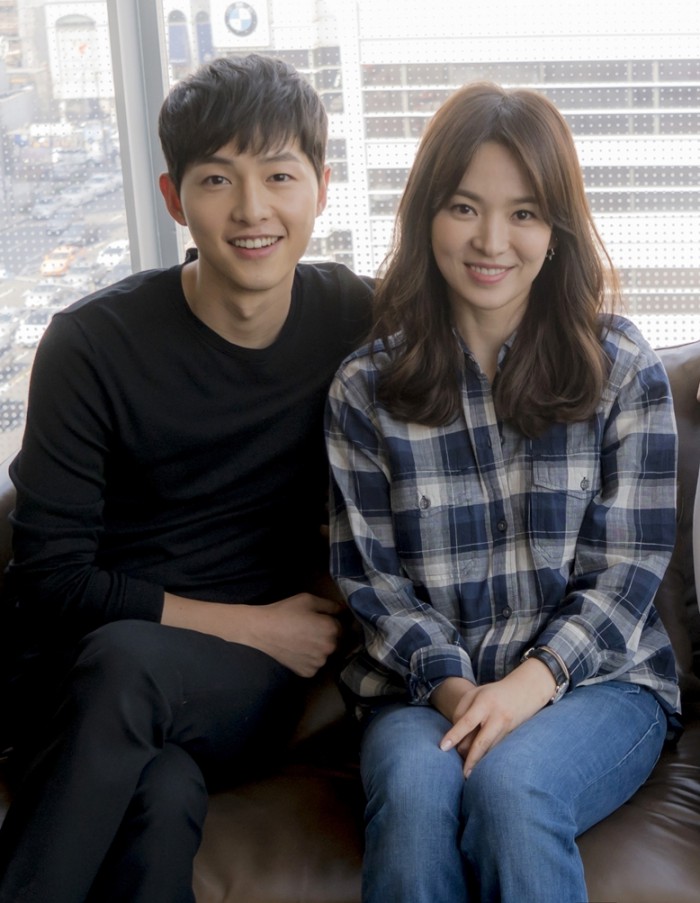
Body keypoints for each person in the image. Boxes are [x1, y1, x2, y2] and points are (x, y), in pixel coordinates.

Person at [0, 54, 372, 903]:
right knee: (161, 796)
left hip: (237, 690)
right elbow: (51, 578)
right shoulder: (92, 345)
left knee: (129, 670)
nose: (252, 209)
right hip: (86, 672)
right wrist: (257, 625)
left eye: (279, 175)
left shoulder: (352, 317)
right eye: (217, 179)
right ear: (174, 198)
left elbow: (487, 309)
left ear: (321, 187)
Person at [325, 82, 680, 903]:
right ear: (427, 216)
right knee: (416, 797)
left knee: (512, 790)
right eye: (464, 207)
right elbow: (372, 583)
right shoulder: (364, 389)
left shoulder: (623, 369)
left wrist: (527, 686)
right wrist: (462, 691)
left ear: (557, 230)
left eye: (524, 212)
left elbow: (626, 573)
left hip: (599, 683)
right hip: (420, 692)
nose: (491, 240)